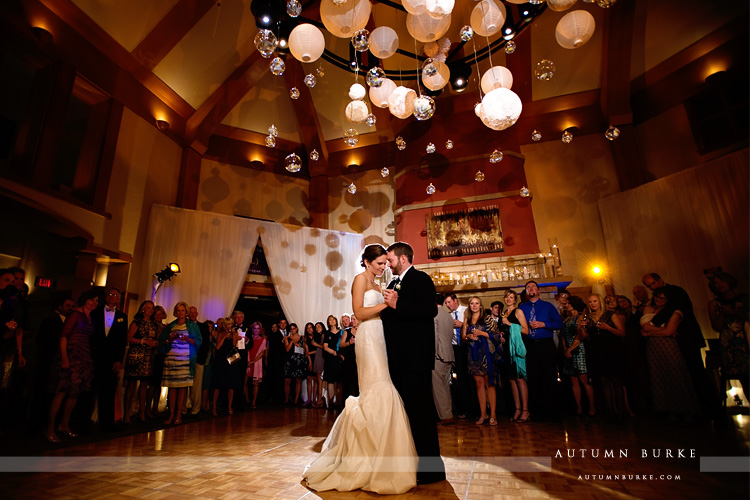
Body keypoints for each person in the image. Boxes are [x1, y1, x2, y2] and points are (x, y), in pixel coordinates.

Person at [303, 243, 418, 494]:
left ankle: (382, 454)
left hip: (380, 336)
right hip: (367, 337)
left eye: (385, 264)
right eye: (379, 264)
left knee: (383, 384)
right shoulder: (360, 279)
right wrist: (388, 305)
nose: (383, 267)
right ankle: (365, 455)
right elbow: (359, 312)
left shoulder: (378, 284)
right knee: (376, 387)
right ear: (366, 261)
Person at [382, 241, 444, 484]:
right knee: (405, 414)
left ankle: (432, 471)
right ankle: (410, 464)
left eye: (390, 260)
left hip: (416, 358)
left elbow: (430, 310)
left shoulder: (421, 279)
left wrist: (398, 304)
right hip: (397, 358)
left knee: (421, 413)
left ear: (403, 259)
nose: (388, 264)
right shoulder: (392, 283)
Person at [45, 289, 99, 442]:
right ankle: (50, 428)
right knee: (61, 391)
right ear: (84, 300)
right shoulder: (75, 314)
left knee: (75, 392)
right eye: (91, 299)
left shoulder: (91, 317)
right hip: (71, 352)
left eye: (96, 300)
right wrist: (64, 357)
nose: (94, 302)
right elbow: (64, 336)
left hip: (84, 354)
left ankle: (64, 424)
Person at [641, 288, 700, 422]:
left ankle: (686, 411)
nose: (659, 300)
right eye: (657, 297)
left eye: (662, 298)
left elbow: (669, 332)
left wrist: (652, 331)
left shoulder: (675, 312)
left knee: (676, 376)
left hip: (669, 346)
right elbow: (644, 329)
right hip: (653, 347)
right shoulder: (648, 310)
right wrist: (659, 331)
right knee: (659, 377)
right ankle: (669, 410)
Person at [518, 281, 564, 421]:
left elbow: (559, 323)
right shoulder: (522, 308)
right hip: (529, 345)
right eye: (528, 288)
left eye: (533, 287)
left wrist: (544, 324)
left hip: (545, 344)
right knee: (533, 377)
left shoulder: (547, 306)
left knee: (548, 377)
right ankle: (536, 411)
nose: (530, 289)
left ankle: (551, 412)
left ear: (538, 291)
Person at [578, 294, 627, 420]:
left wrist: (608, 327)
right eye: (590, 301)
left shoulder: (610, 315)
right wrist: (581, 328)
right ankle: (610, 412)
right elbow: (584, 337)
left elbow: (621, 333)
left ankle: (621, 413)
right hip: (596, 351)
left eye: (595, 301)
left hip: (612, 349)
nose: (592, 303)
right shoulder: (588, 318)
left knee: (616, 380)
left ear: (600, 302)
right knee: (603, 381)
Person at [90, 287, 128, 431]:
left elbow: (122, 341)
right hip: (94, 356)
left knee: (109, 391)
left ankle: (107, 424)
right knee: (90, 390)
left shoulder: (122, 316)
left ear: (119, 299)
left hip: (112, 359)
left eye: (116, 295)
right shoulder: (95, 312)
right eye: (111, 294)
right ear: (106, 297)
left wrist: (119, 360)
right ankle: (85, 422)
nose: (113, 297)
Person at [159, 301, 202, 425]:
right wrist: (170, 338)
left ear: (186, 312)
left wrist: (187, 339)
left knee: (182, 388)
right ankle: (171, 414)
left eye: (183, 310)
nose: (180, 313)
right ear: (175, 312)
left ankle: (179, 414)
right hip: (172, 360)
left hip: (185, 360)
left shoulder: (192, 326)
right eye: (178, 310)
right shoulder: (171, 325)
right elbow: (163, 342)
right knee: (172, 388)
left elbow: (198, 341)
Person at [462, 296, 502, 426]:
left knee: (489, 384)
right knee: (478, 385)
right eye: (472, 303)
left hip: (486, 355)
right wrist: (468, 336)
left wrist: (481, 333)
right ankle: (483, 414)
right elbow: (463, 337)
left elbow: (496, 336)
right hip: (473, 356)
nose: (474, 305)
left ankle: (493, 415)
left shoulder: (487, 319)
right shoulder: (467, 319)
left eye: (476, 303)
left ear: (480, 305)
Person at [707, 272, 749, 396]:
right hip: (731, 344)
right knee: (744, 378)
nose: (719, 285)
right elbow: (716, 327)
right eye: (716, 283)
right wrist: (723, 313)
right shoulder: (714, 304)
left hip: (747, 338)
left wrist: (736, 313)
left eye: (721, 281)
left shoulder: (745, 298)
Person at [122, 300, 159, 423]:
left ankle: (142, 411)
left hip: (148, 356)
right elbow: (128, 338)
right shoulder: (137, 322)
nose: (150, 310)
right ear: (142, 309)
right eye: (147, 307)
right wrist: (143, 341)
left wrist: (154, 343)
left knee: (144, 385)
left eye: (152, 308)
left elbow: (155, 338)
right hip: (136, 355)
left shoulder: (154, 324)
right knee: (131, 385)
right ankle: (126, 413)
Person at [498, 290, 530, 423]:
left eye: (511, 297)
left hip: (516, 349)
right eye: (507, 297)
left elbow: (525, 330)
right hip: (506, 349)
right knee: (511, 380)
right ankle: (517, 409)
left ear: (515, 299)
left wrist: (510, 325)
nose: (509, 299)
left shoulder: (518, 312)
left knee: (520, 379)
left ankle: (525, 410)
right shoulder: (504, 313)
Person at [561, 296, 596, 417]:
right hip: (568, 350)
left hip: (578, 349)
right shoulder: (566, 320)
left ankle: (591, 407)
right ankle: (579, 407)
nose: (566, 305)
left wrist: (570, 349)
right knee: (573, 379)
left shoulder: (580, 317)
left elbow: (581, 336)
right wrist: (565, 349)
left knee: (584, 379)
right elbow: (563, 335)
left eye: (569, 303)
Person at [444, 292, 472, 419]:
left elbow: (476, 326)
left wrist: (462, 325)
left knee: (470, 378)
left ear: (455, 300)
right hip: (455, 348)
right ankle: (463, 409)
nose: (448, 305)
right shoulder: (448, 316)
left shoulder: (466, 311)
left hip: (468, 346)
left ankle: (473, 409)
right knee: (459, 380)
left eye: (449, 302)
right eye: (446, 303)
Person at [211, 317, 242, 416]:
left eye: (231, 324)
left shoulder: (234, 334)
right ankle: (214, 407)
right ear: (225, 325)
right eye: (228, 324)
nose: (230, 326)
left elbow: (234, 345)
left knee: (231, 385)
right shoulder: (220, 334)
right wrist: (224, 337)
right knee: (217, 385)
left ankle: (229, 406)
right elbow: (218, 347)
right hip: (221, 361)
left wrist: (233, 334)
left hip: (231, 361)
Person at [433, 293, 455, 425]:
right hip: (449, 354)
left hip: (438, 355)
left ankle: (445, 416)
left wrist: (434, 354)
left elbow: (434, 337)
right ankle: (449, 412)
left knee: (438, 387)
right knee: (446, 386)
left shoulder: (434, 314)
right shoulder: (447, 314)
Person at [186, 306, 211, 415]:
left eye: (194, 312)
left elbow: (206, 344)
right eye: (190, 313)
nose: (192, 314)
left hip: (198, 359)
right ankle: (182, 409)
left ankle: (195, 409)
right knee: (184, 385)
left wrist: (202, 359)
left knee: (197, 386)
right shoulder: (184, 325)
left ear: (197, 313)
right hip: (185, 359)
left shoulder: (203, 327)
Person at [322, 315, 344, 409]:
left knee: (339, 380)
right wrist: (334, 352)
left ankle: (339, 402)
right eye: (330, 320)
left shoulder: (342, 332)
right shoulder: (327, 334)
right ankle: (330, 402)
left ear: (336, 321)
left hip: (339, 358)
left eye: (333, 319)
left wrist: (339, 354)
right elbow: (325, 347)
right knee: (330, 380)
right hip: (330, 359)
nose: (332, 321)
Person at [245, 321, 267, 409]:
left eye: (258, 328)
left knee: (256, 383)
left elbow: (262, 352)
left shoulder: (263, 340)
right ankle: (246, 398)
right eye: (254, 328)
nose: (256, 330)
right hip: (248, 360)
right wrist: (248, 361)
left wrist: (253, 361)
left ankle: (254, 400)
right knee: (245, 381)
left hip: (257, 362)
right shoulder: (249, 339)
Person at [283, 323, 306, 405]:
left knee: (298, 380)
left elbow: (305, 348)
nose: (293, 330)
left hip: (299, 360)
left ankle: (296, 399)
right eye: (291, 329)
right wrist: (292, 342)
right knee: (287, 380)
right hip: (289, 360)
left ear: (297, 329)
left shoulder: (302, 338)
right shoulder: (287, 338)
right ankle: (286, 399)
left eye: (294, 328)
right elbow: (287, 349)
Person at [302, 322, 319, 407]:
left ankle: (314, 400)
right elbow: (306, 351)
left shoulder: (317, 337)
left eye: (310, 328)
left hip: (317, 358)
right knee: (309, 379)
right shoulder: (305, 338)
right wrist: (310, 362)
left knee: (316, 380)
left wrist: (310, 353)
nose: (309, 329)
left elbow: (318, 350)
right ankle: (308, 399)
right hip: (309, 359)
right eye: (307, 328)